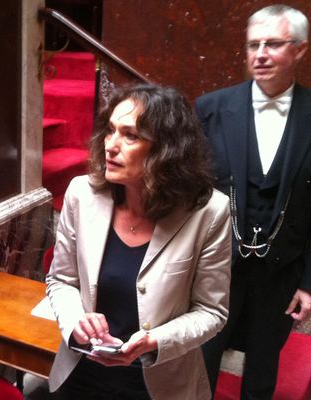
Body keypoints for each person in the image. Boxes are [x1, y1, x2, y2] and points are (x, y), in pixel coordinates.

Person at [46, 83, 232, 399]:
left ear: (166, 150)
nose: (111, 145)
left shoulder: (208, 212)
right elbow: (61, 280)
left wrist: (155, 340)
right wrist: (77, 321)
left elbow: (211, 312)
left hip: (158, 383)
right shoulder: (82, 194)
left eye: (130, 135)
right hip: (83, 373)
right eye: (109, 130)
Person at [195, 5, 311, 398]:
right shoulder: (210, 109)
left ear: (299, 50)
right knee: (202, 357)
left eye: (273, 44)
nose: (259, 54)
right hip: (216, 267)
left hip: (282, 272)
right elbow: (191, 194)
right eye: (253, 45)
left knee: (263, 366)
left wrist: (310, 284)